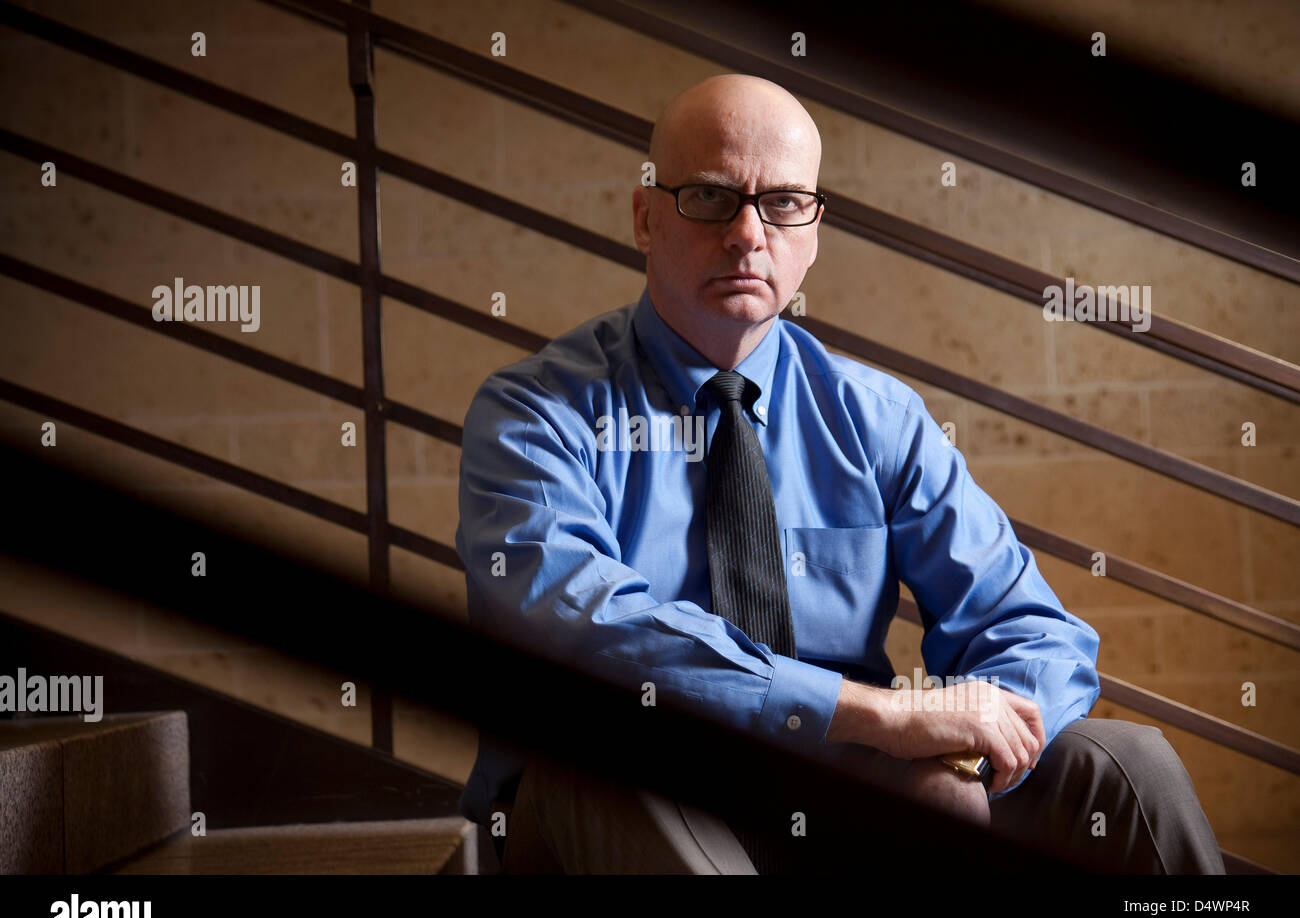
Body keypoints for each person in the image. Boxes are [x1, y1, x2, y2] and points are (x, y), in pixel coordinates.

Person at [454, 74, 1225, 874]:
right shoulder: (536, 414)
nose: (750, 234)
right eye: (712, 197)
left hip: (848, 796)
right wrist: (873, 717)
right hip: (620, 797)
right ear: (646, 217)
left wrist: (957, 759)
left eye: (784, 202)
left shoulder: (875, 417)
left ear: (814, 228)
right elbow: (580, 630)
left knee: (1129, 769)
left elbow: (1033, 631)